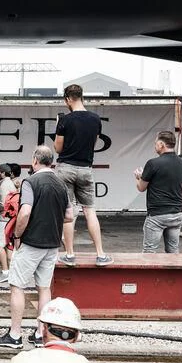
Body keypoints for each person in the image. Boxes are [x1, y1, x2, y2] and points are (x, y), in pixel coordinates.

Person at [0, 146, 72, 350]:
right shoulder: (61, 183)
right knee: (44, 288)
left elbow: (25, 212)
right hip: (52, 243)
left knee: (17, 286)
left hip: (31, 242)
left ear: (35, 160)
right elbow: (69, 215)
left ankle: (15, 335)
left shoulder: (31, 181)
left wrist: (17, 235)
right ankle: (39, 334)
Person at [54, 84, 113, 267]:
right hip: (86, 168)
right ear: (81, 97)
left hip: (66, 168)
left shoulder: (65, 120)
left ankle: (70, 254)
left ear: (68, 99)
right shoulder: (95, 119)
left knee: (68, 211)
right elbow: (93, 143)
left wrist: (59, 125)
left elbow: (58, 148)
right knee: (90, 211)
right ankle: (101, 254)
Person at [134, 130, 182, 253]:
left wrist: (138, 177)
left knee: (149, 251)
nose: (155, 146)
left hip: (157, 215)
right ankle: (175, 272)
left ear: (161, 144)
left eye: (155, 143)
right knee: (173, 250)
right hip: (177, 214)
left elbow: (141, 188)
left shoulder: (153, 163)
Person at [0, 163, 17, 284]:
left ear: (3, 173)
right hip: (9, 219)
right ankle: (11, 272)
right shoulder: (9, 183)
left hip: (2, 220)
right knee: (8, 246)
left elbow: (3, 204)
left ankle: (5, 272)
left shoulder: (4, 185)